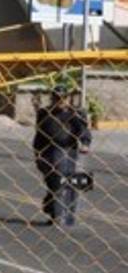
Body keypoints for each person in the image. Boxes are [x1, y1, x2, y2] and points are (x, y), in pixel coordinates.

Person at [33, 84, 91, 226]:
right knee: (53, 182)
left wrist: (85, 143)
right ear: (52, 98)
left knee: (66, 182)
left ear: (67, 98)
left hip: (67, 151)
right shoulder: (44, 113)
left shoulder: (75, 113)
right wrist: (37, 152)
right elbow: (39, 133)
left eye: (62, 98)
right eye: (56, 98)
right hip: (47, 151)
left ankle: (62, 216)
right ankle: (52, 208)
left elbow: (83, 130)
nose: (59, 101)